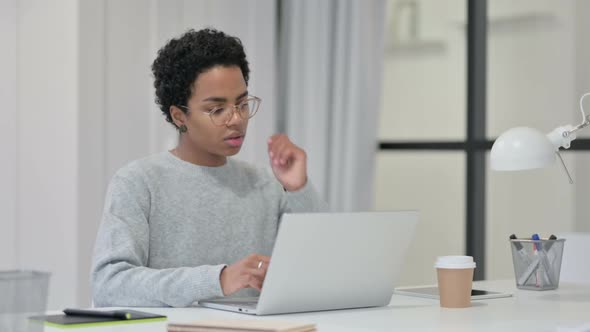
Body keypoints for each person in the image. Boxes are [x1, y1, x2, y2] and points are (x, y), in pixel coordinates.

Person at [91, 28, 328, 307]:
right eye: (217, 110)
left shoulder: (264, 184)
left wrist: (297, 188)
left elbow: (320, 268)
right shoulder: (138, 182)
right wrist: (218, 280)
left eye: (241, 103)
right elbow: (109, 285)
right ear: (179, 116)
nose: (236, 119)